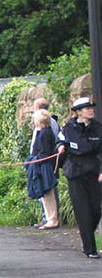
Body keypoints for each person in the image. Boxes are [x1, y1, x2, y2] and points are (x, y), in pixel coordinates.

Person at [56, 97, 102, 259]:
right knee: (83, 211)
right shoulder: (69, 128)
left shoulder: (98, 128)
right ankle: (90, 248)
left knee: (96, 210)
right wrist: (61, 147)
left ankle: (87, 236)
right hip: (75, 172)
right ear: (78, 112)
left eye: (91, 108)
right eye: (86, 108)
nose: (90, 110)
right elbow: (60, 140)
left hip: (94, 172)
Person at [30, 97, 60, 226]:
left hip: (45, 165)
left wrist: (36, 159)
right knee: (45, 193)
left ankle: (51, 219)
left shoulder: (45, 133)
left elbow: (45, 151)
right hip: (41, 164)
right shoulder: (42, 132)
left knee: (48, 192)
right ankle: (48, 218)